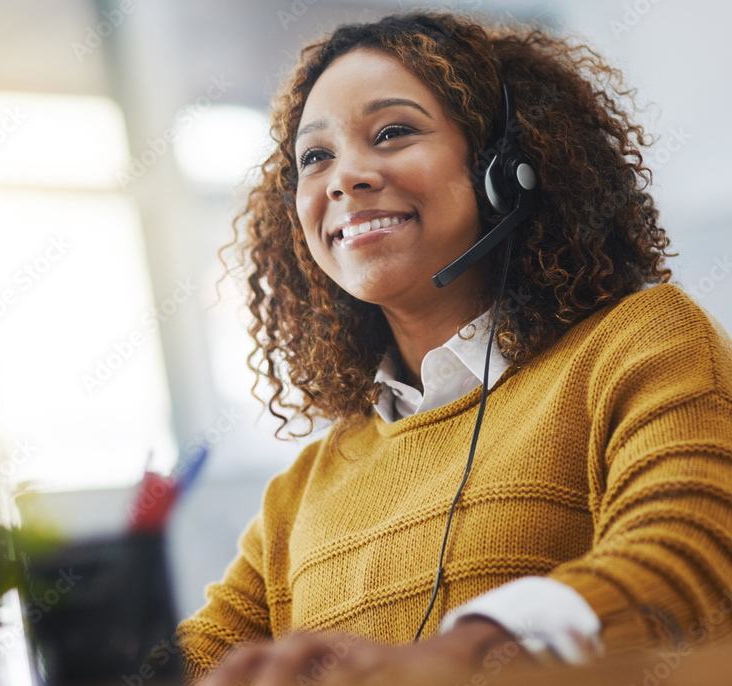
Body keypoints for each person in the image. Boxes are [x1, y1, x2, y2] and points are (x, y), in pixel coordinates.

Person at [176, 11, 732, 685]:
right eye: (315, 157)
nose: (345, 177)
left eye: (393, 133)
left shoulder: (640, 342)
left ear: (508, 167)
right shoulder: (302, 492)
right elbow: (196, 660)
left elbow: (692, 556)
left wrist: (467, 654)